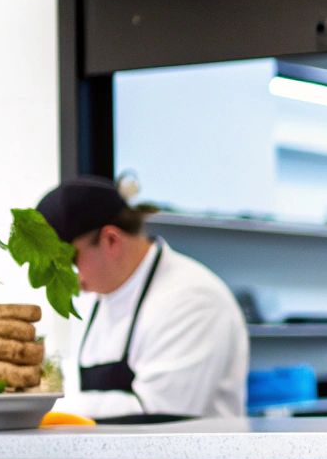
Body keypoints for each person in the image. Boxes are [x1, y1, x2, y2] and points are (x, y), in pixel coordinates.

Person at [36, 176, 248, 420]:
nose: (67, 279)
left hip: (188, 456)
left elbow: (161, 409)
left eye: (69, 261)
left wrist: (49, 406)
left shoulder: (193, 298)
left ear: (111, 240)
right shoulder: (94, 298)